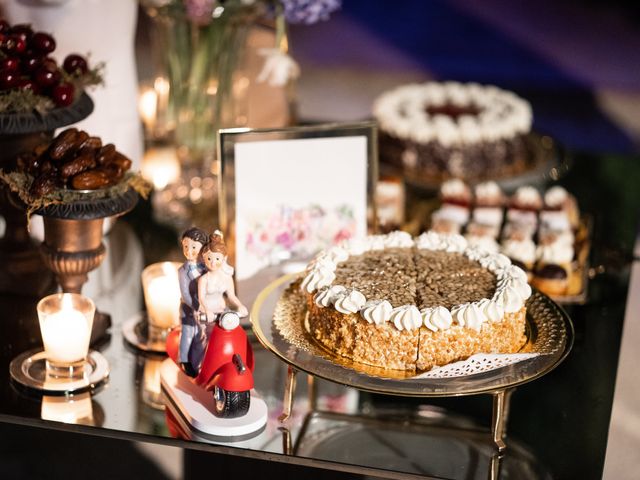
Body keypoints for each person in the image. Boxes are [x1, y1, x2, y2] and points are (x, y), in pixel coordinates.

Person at [197, 231, 248, 325]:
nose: (213, 263)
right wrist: (207, 310)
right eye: (209, 259)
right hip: (207, 312)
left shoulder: (227, 277)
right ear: (204, 259)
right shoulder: (204, 279)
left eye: (217, 259)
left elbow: (231, 296)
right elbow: (201, 298)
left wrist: (240, 305)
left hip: (221, 309)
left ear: (224, 258)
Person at [177, 227, 208, 377]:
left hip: (207, 308)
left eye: (194, 247)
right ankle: (184, 360)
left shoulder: (206, 266)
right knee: (188, 333)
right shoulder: (183, 271)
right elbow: (185, 295)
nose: (189, 251)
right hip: (190, 309)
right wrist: (198, 306)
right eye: (186, 247)